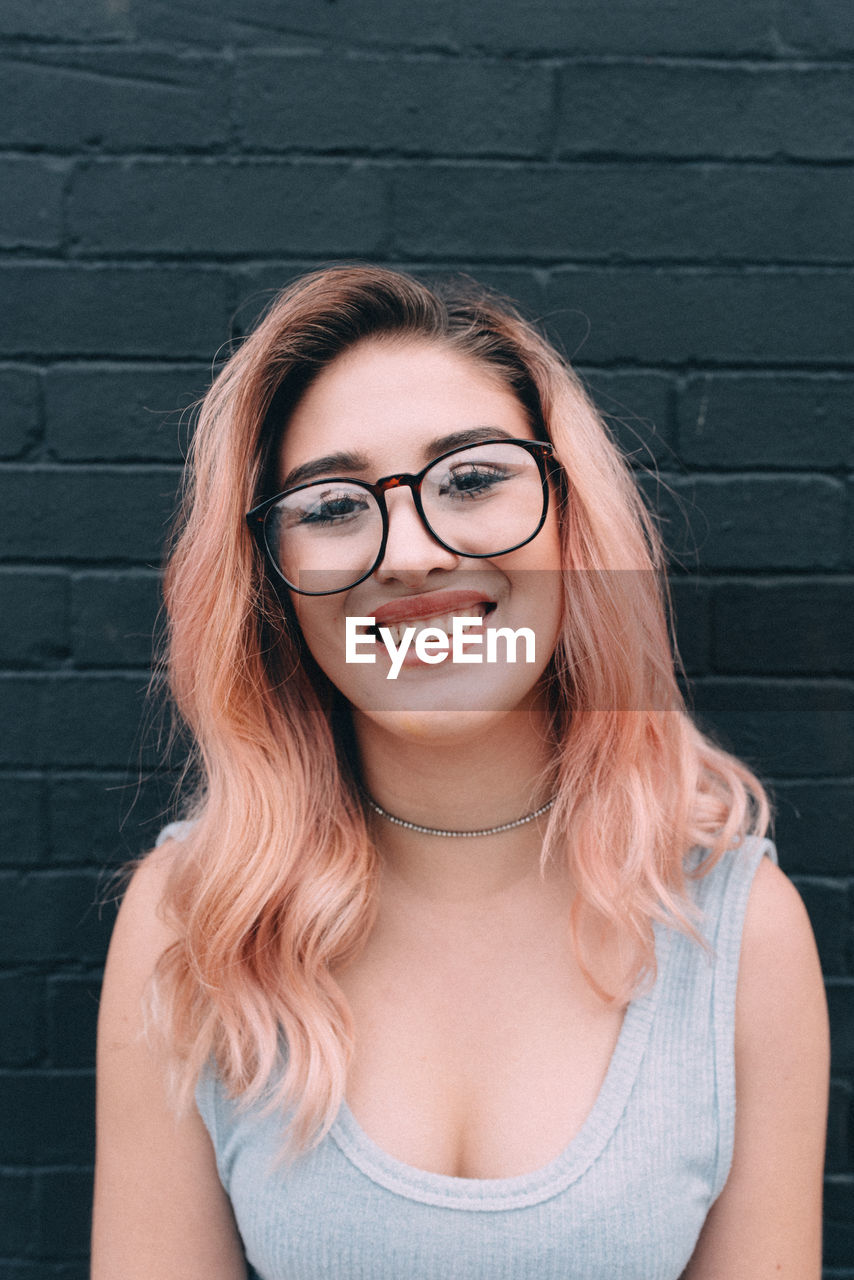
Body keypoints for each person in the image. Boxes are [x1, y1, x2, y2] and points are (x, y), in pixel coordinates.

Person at [92, 265, 829, 1279]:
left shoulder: (737, 931)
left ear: (575, 523)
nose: (409, 553)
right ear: (270, 584)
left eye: (472, 481)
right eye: (331, 505)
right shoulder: (194, 920)